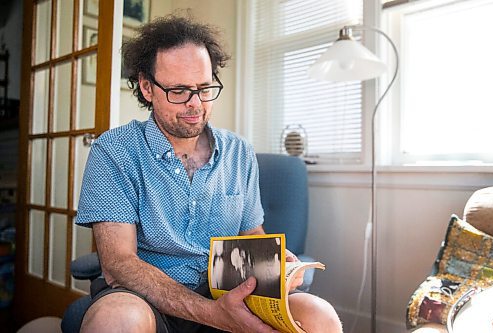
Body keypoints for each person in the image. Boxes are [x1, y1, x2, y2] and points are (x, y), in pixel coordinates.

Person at [76, 14, 343, 333]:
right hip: (143, 296)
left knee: (319, 314)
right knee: (118, 320)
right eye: (179, 91)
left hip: (227, 295)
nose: (195, 104)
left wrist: (275, 266)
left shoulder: (239, 152)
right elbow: (119, 264)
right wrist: (211, 313)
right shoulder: (115, 150)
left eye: (204, 89)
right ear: (147, 87)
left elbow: (250, 237)